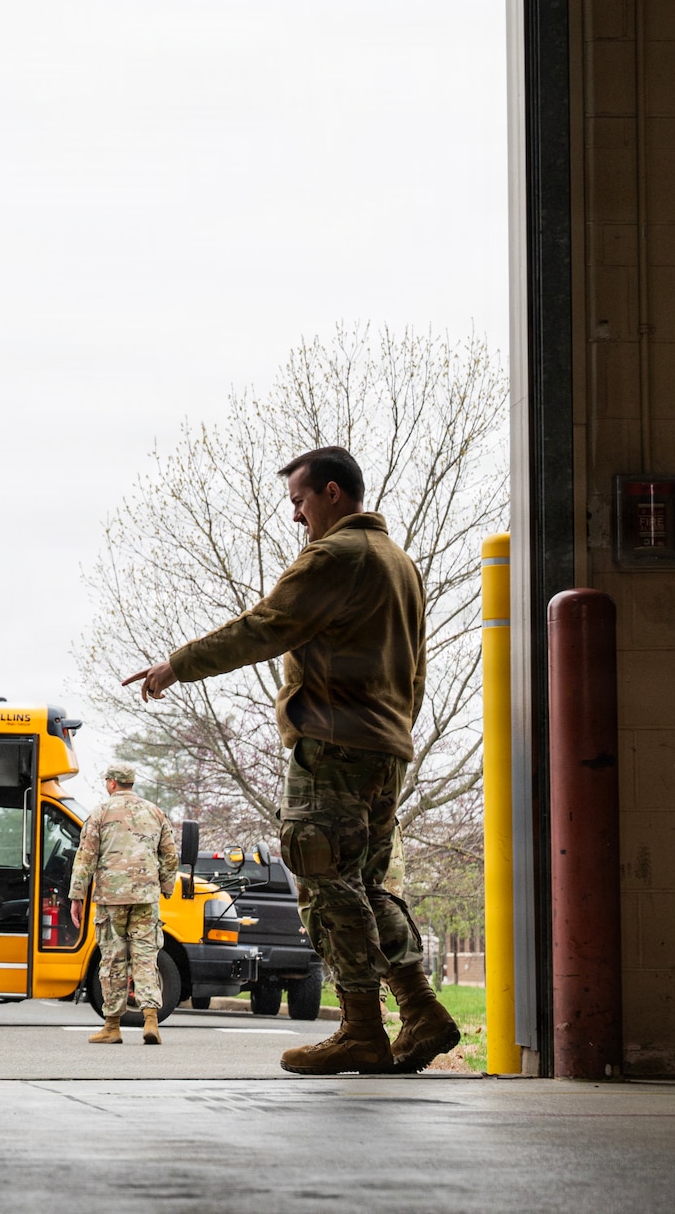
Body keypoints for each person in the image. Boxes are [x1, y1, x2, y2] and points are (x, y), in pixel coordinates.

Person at [123, 444, 459, 1075]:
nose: (296, 518)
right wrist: (394, 734)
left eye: (300, 502)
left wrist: (179, 665)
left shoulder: (337, 555)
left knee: (324, 883)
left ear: (333, 494)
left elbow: (267, 625)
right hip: (385, 749)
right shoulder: (399, 561)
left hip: (333, 747)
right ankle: (421, 1009)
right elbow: (415, 670)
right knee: (364, 886)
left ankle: (362, 1029)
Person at [68, 763, 178, 1046]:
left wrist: (77, 896)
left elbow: (85, 857)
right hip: (145, 898)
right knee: (145, 957)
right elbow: (170, 855)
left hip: (111, 898)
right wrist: (164, 887)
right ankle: (151, 1020)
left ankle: (112, 1026)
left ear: (113, 783)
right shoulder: (155, 812)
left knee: (113, 959)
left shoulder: (100, 813)